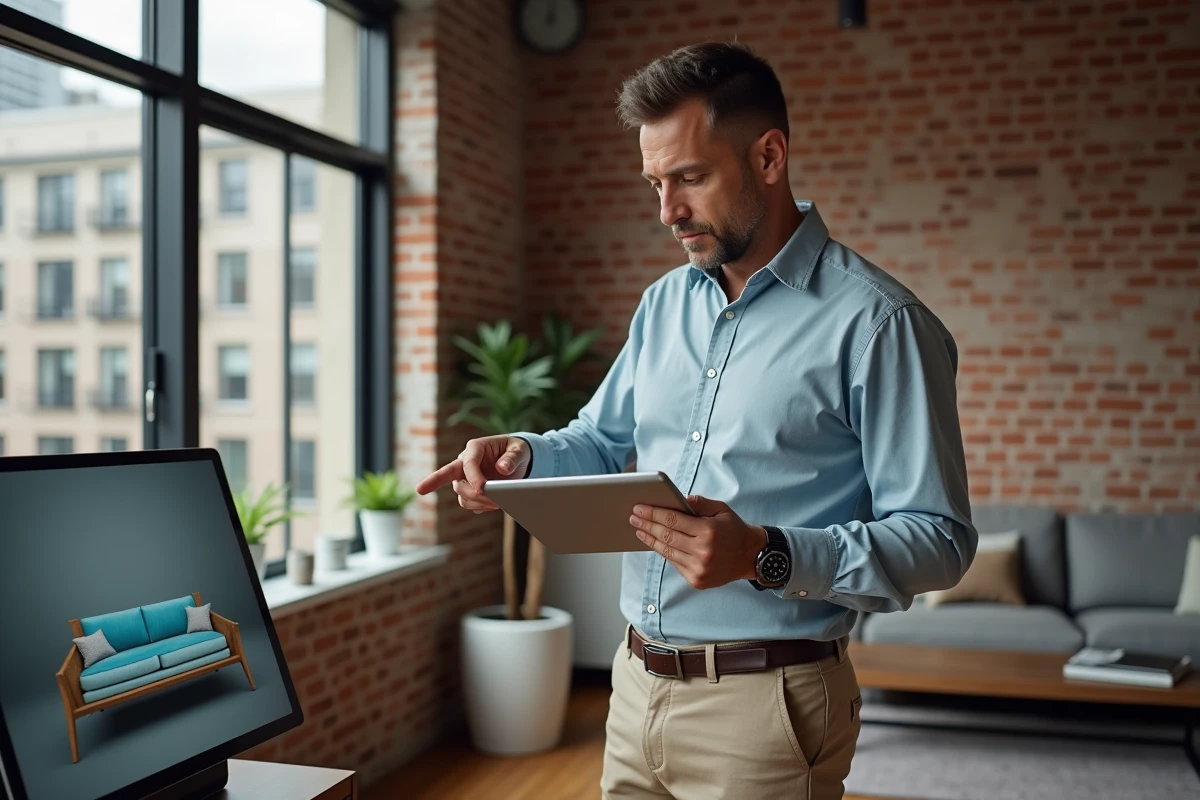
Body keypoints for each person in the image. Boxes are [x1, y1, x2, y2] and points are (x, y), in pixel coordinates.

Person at [416, 41, 977, 800]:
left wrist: (765, 555)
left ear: (770, 156)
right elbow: (602, 438)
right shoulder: (664, 304)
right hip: (635, 684)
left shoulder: (880, 325)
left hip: (767, 708)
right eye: (654, 182)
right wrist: (523, 455)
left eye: (690, 178)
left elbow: (939, 541)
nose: (667, 211)